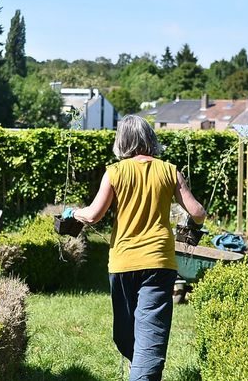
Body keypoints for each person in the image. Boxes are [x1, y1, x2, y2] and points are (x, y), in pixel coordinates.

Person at [72, 115, 206, 381]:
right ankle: (143, 370)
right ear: (150, 139)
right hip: (158, 261)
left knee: (133, 333)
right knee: (141, 332)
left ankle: (142, 373)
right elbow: (198, 213)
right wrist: (190, 220)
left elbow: (93, 215)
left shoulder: (115, 172)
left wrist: (73, 212)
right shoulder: (169, 171)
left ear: (121, 141)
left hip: (123, 262)